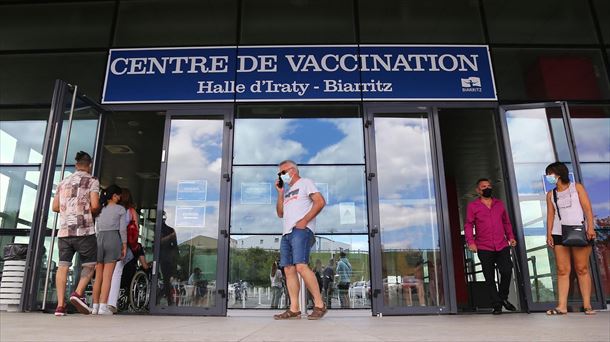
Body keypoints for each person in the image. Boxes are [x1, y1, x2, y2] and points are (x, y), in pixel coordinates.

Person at [273, 160, 327, 320]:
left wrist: (304, 221)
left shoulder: (305, 183)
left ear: (292, 170)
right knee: (288, 270)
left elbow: (320, 202)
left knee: (301, 266)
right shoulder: (288, 191)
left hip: (301, 231)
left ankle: (319, 305)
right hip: (286, 233)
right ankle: (294, 309)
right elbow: (280, 213)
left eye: (282, 172)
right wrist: (280, 193)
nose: (281, 176)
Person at [52, 151, 100, 316]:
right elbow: (94, 205)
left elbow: (55, 207)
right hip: (84, 229)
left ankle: (60, 306)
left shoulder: (63, 182)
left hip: (65, 231)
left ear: (76, 164)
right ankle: (77, 293)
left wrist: (69, 209)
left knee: (63, 266)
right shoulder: (92, 181)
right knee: (90, 264)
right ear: (90, 165)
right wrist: (93, 211)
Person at [544, 162, 596, 316]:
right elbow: (550, 215)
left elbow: (587, 208)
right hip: (559, 233)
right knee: (562, 270)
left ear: (558, 174)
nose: (548, 177)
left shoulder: (576, 187)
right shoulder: (550, 194)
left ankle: (587, 305)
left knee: (582, 268)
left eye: (550, 174)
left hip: (579, 231)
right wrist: (549, 234)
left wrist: (591, 227)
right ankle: (561, 306)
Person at [464, 178, 517, 315]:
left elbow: (506, 222)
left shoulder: (499, 204)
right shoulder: (473, 206)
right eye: (483, 187)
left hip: (501, 244)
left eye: (488, 186)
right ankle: (497, 305)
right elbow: (469, 225)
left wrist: (511, 237)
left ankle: (503, 297)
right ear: (478, 190)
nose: (487, 188)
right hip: (483, 246)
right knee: (489, 277)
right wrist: (471, 242)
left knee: (506, 270)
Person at [92, 184, 127, 315]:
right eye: (119, 196)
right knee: (108, 277)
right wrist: (124, 245)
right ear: (114, 196)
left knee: (98, 276)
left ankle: (94, 306)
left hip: (99, 239)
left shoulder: (99, 209)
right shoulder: (120, 209)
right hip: (113, 239)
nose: (120, 198)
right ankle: (103, 306)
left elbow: (96, 227)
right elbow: (122, 230)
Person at [107, 188, 139, 313]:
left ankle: (100, 302)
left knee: (106, 273)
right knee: (117, 272)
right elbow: (135, 230)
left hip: (108, 242)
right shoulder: (131, 211)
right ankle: (111, 303)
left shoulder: (111, 209)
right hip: (123, 245)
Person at [160, 214, 179, 306]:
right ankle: (167, 300)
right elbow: (159, 242)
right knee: (166, 280)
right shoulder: (168, 230)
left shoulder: (170, 230)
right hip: (163, 258)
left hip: (168, 259)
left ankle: (168, 300)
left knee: (167, 280)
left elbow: (175, 246)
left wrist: (177, 259)